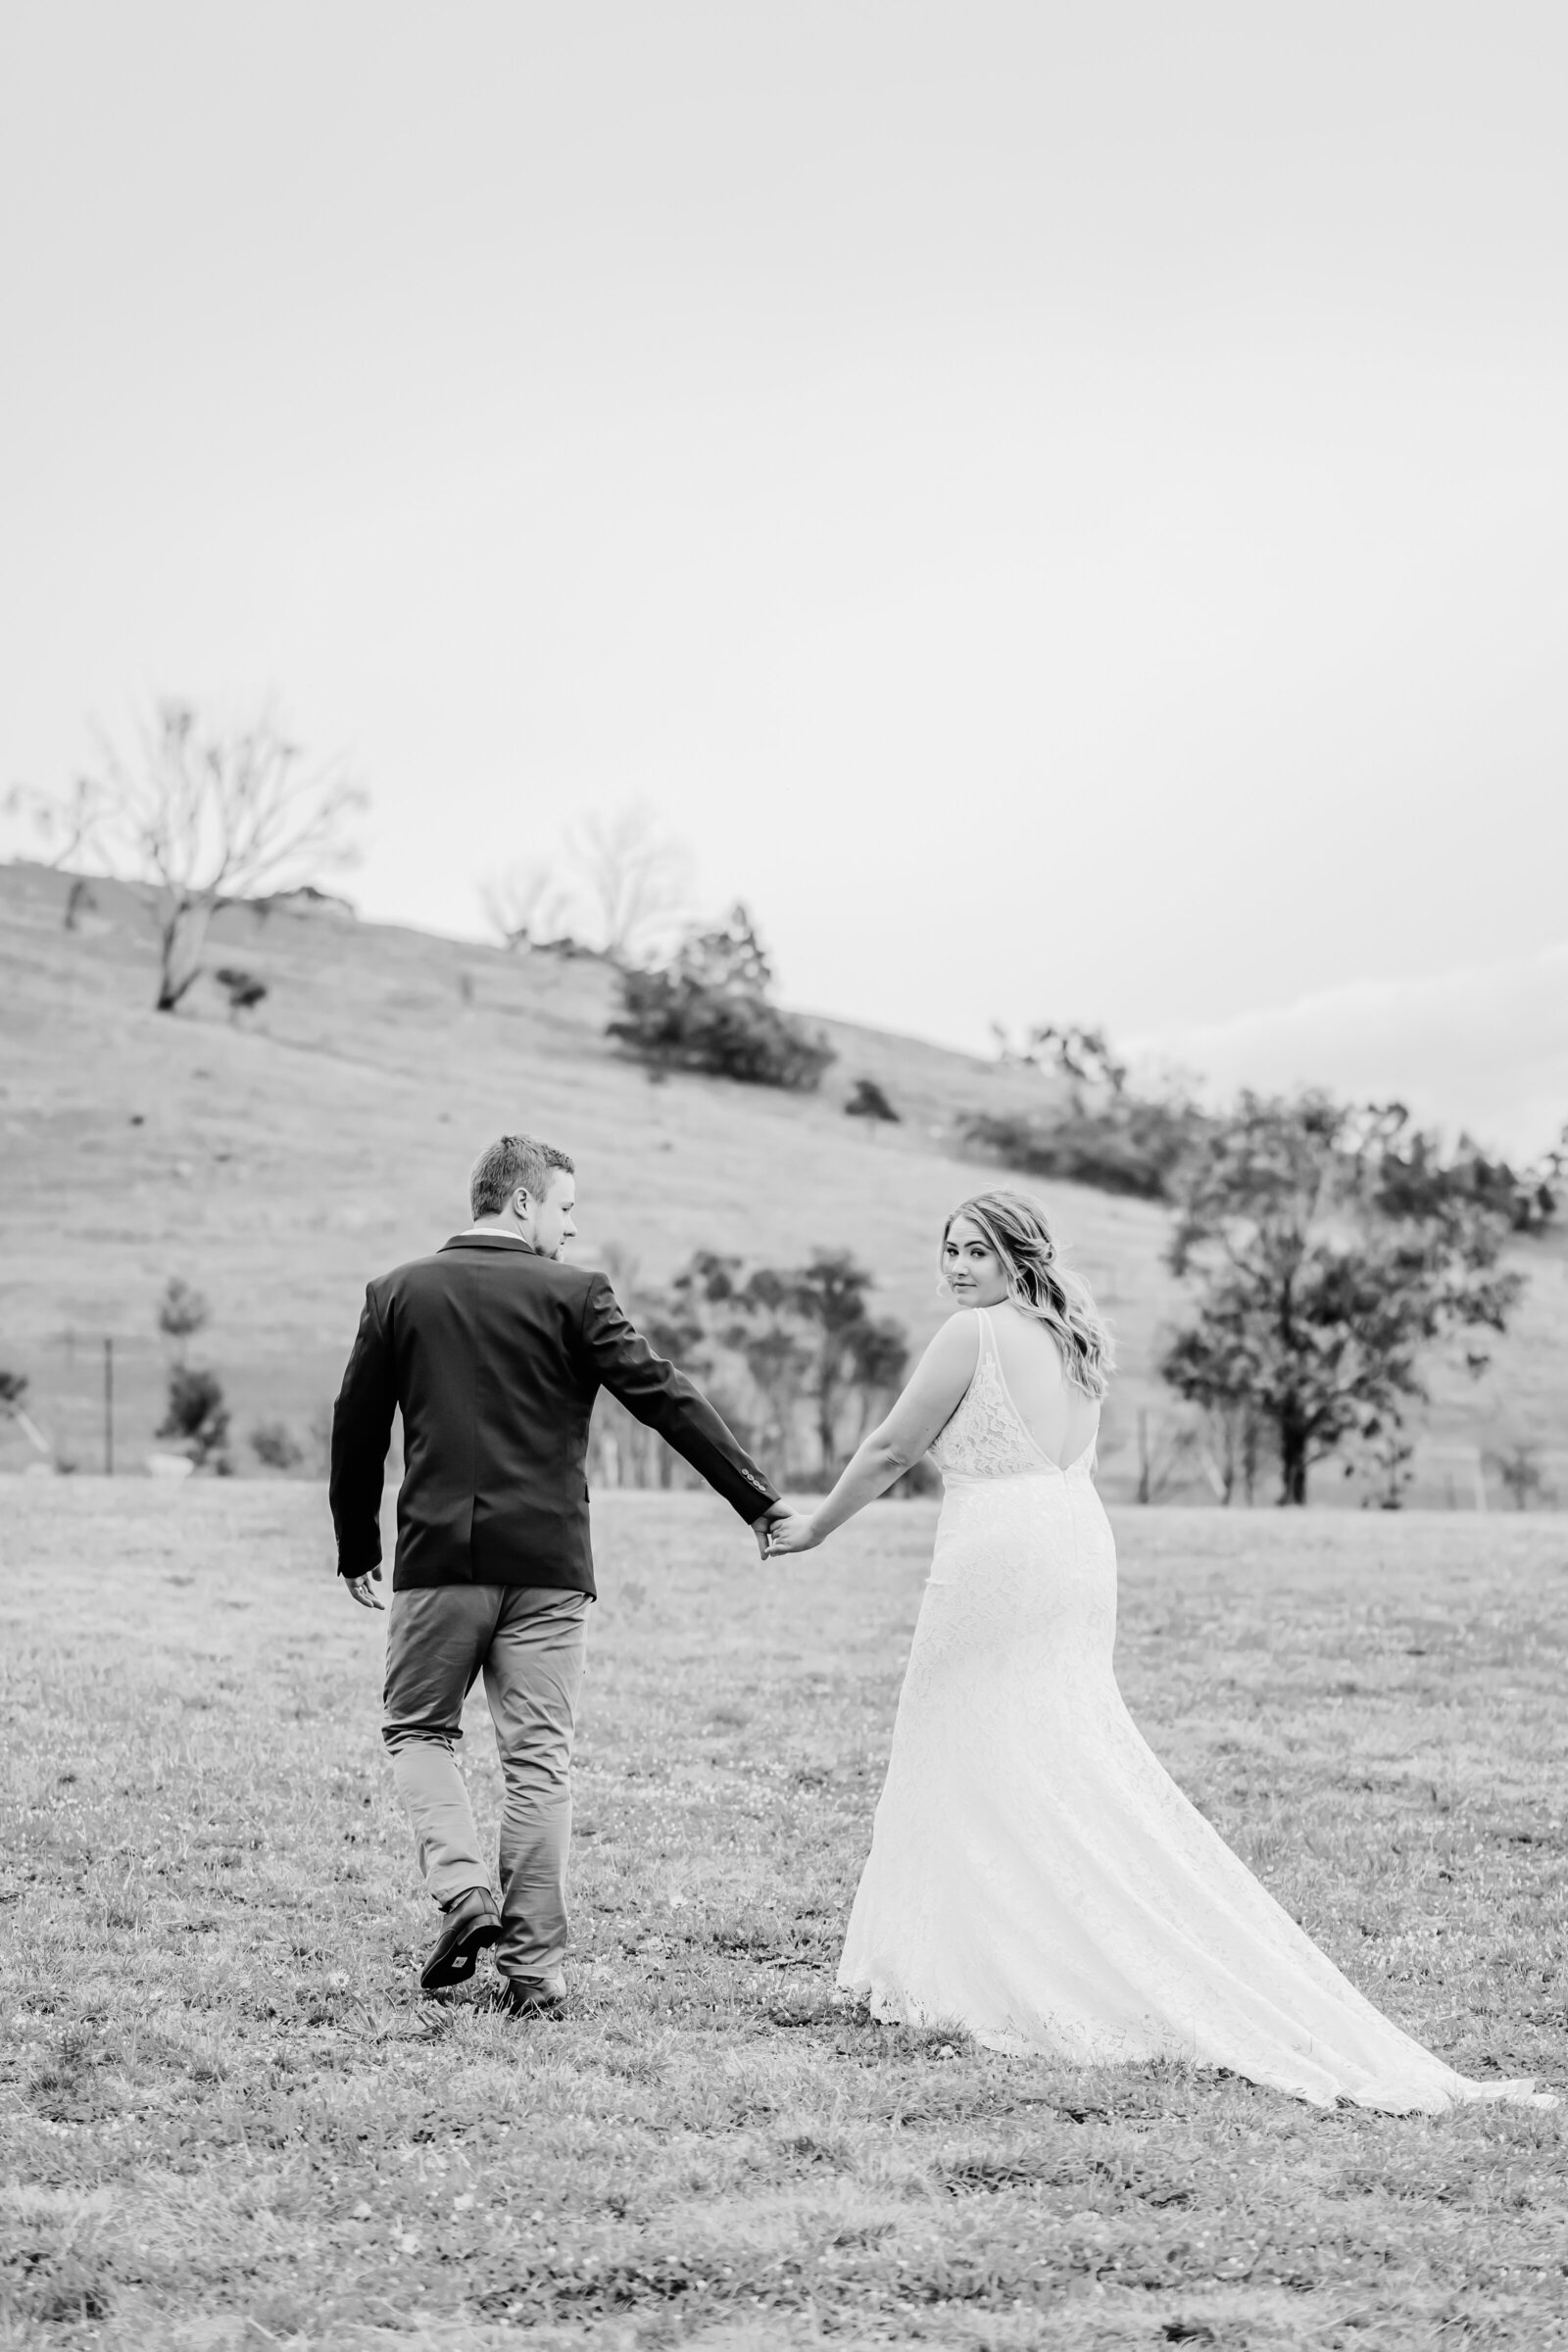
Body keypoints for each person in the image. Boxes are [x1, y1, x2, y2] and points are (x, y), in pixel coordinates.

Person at [766, 1189, 1554, 2113]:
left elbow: (897, 1445)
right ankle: (993, 1936)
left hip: (1002, 1553)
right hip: (1074, 1545)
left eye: (976, 1252)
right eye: (947, 1250)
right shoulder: (1072, 1338)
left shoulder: (970, 1336)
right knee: (1045, 1741)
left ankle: (970, 1960)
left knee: (958, 1732)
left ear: (1019, 1256)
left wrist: (817, 1526)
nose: (956, 1268)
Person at [329, 1133, 786, 2017]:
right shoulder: (577, 1295)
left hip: (437, 1564)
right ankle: (535, 1977)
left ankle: (465, 1896)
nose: (573, 1232)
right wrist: (756, 1501)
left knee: (418, 1731)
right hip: (549, 1565)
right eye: (566, 1210)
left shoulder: (397, 1292)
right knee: (538, 1760)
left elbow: (357, 1426)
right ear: (523, 1202)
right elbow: (664, 1396)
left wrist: (357, 1544)